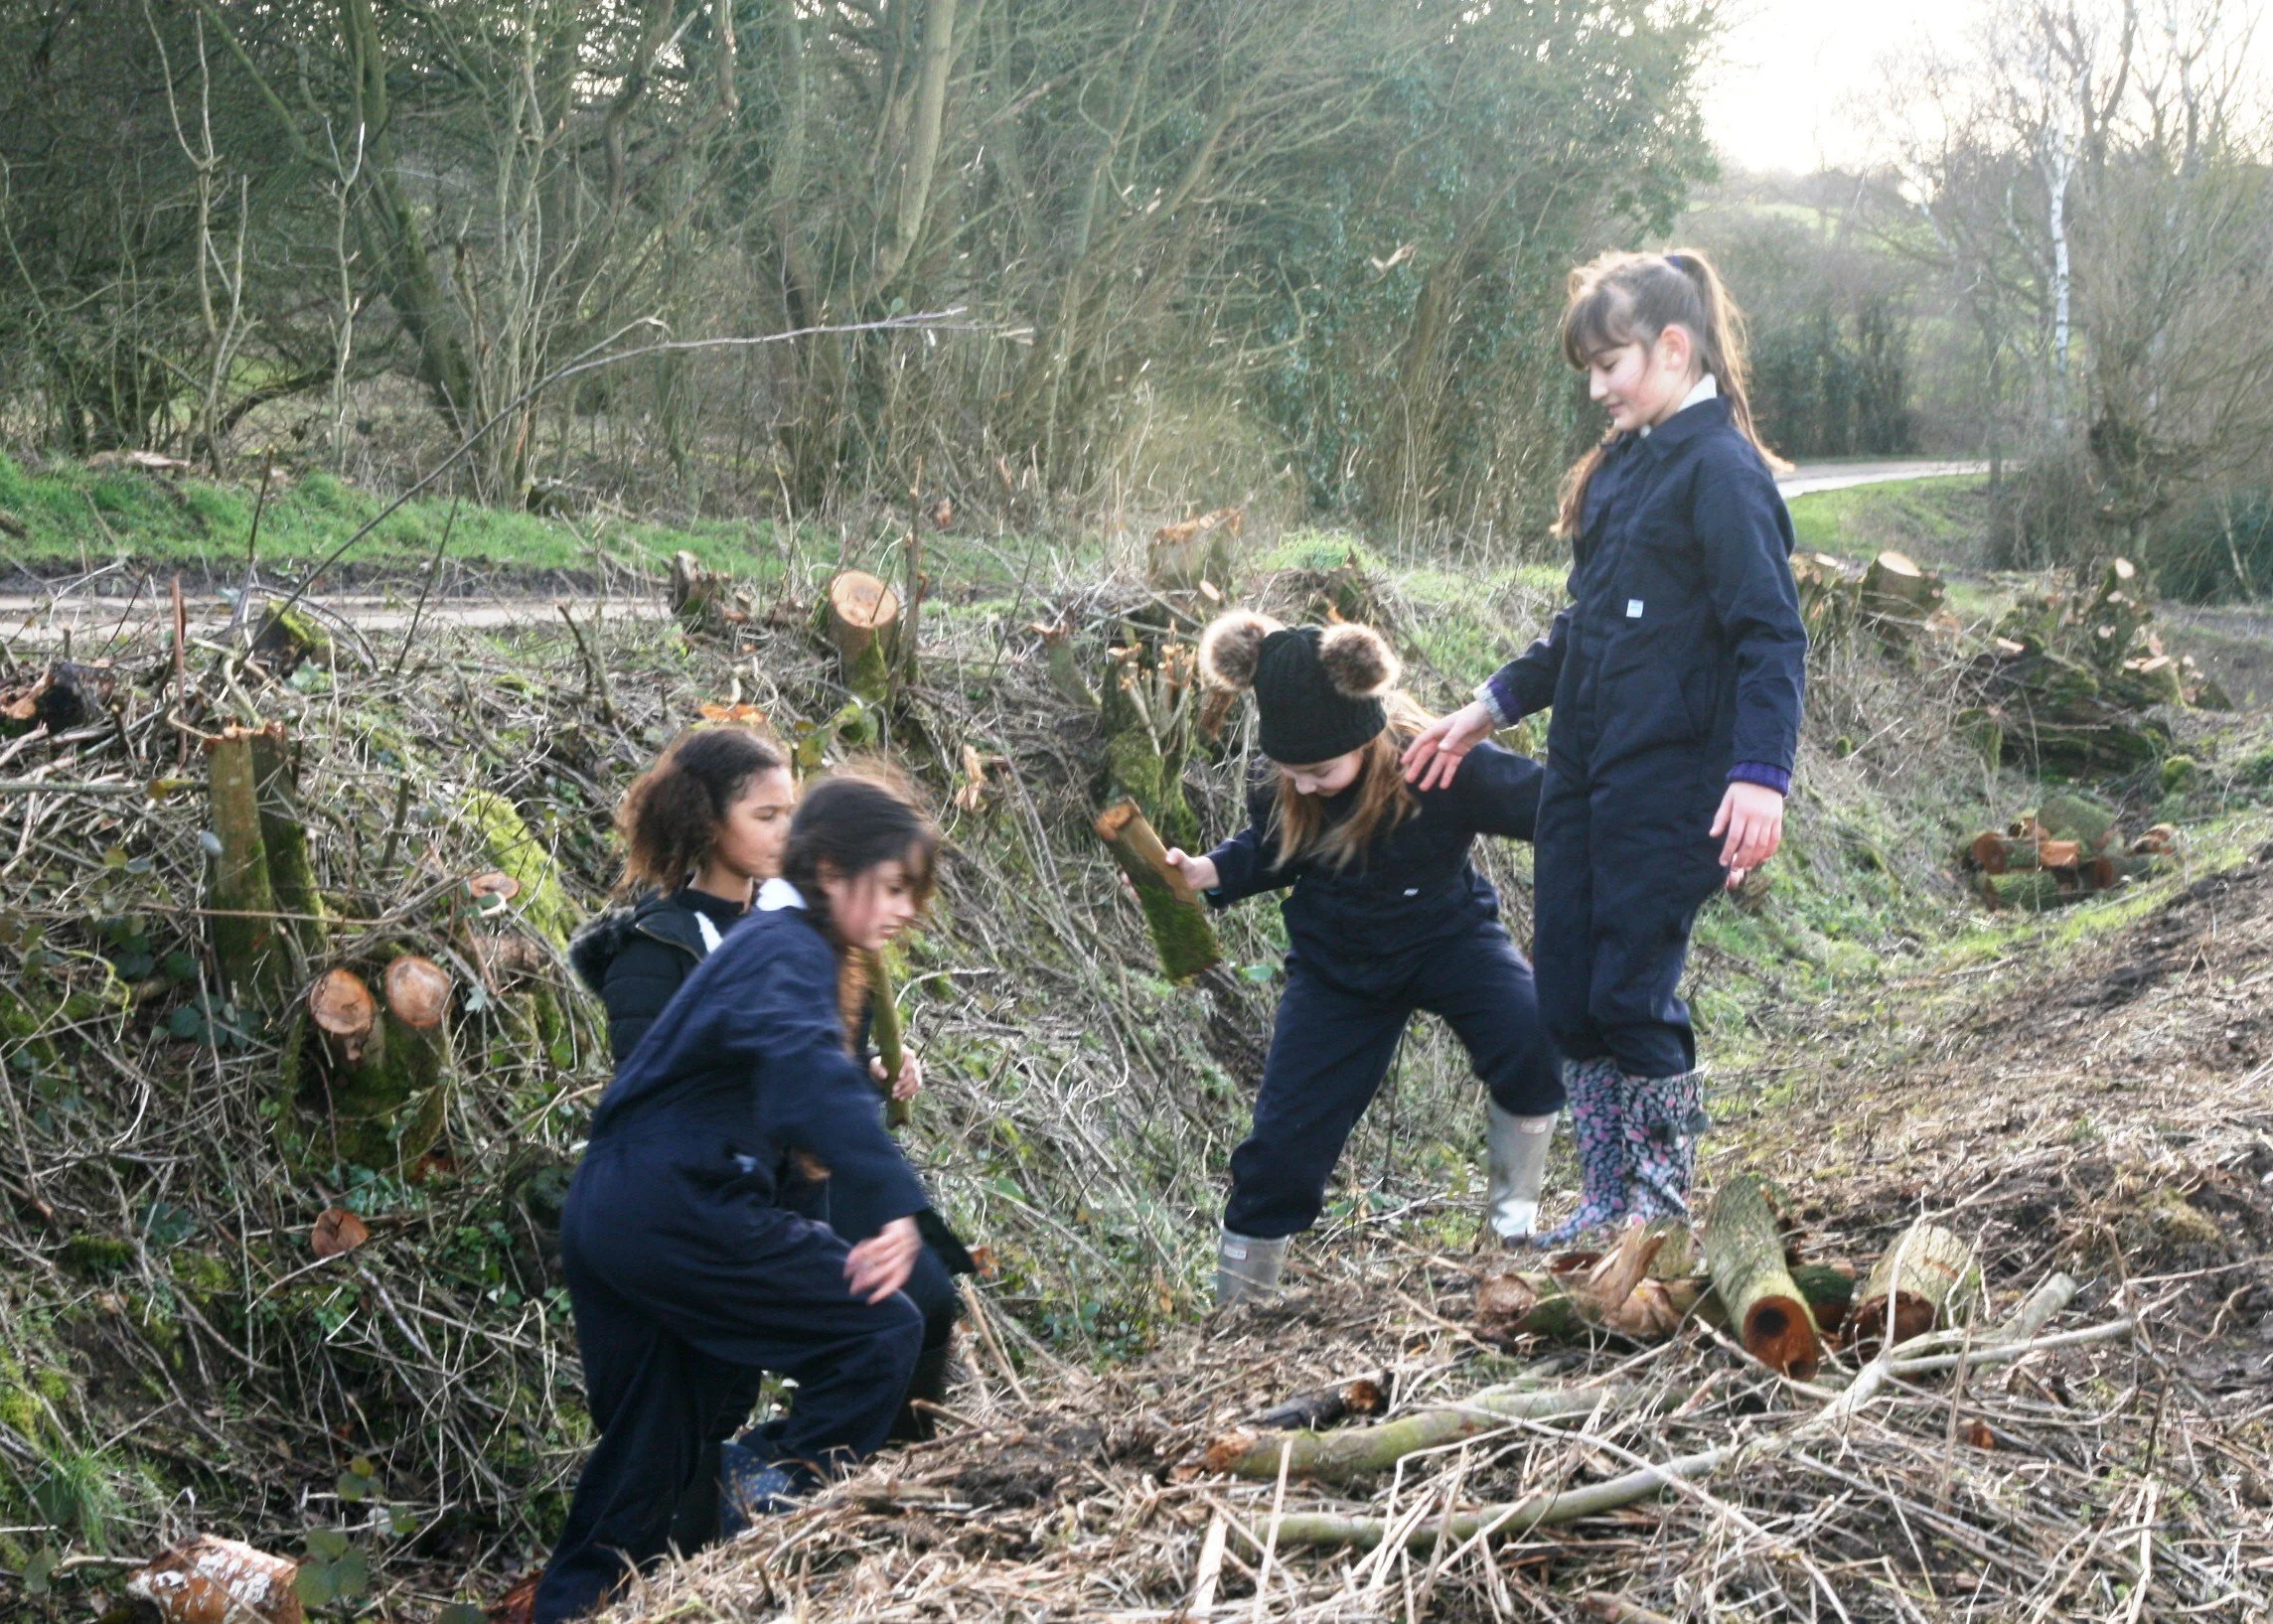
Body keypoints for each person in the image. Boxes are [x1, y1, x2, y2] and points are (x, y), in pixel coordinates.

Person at [1402, 247, 1806, 1244]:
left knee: (1629, 992)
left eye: (1608, 364)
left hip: (1673, 784)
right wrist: (1489, 706)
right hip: (1584, 774)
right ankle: (1602, 1202)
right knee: (1570, 997)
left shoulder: (1721, 473)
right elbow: (1580, 628)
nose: (1594, 388)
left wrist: (1760, 778)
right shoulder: (1623, 470)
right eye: (1586, 369)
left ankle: (1655, 1217)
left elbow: (1770, 636)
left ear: (1672, 348)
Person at [532, 776, 944, 1624]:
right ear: (831, 869)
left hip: (616, 1209)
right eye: (893, 886)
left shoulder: (776, 946)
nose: (906, 910)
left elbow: (790, 1100)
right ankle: (756, 1501)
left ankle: (570, 1607)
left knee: (647, 1457)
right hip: (684, 1203)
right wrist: (895, 1201)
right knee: (882, 1326)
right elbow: (804, 1080)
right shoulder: (788, 947)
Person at [1165, 611, 1564, 1305]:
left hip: (1448, 938)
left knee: (1531, 1036)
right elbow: (1270, 848)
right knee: (1281, 1147)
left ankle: (1513, 1230)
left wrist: (1640, 834)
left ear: (1364, 734)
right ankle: (1239, 1309)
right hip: (1337, 969)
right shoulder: (1284, 780)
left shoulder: (1436, 760)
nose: (1307, 784)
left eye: (1319, 769)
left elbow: (1551, 808)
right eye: (1292, 771)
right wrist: (1209, 870)